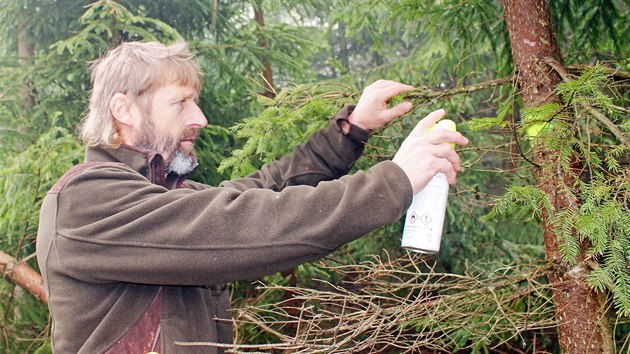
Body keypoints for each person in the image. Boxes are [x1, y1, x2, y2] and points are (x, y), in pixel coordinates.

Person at [36, 41, 468, 354]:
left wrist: (352, 129)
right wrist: (395, 180)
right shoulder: (86, 202)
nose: (199, 118)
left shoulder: (167, 198)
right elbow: (243, 224)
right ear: (124, 110)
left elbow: (268, 188)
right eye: (181, 103)